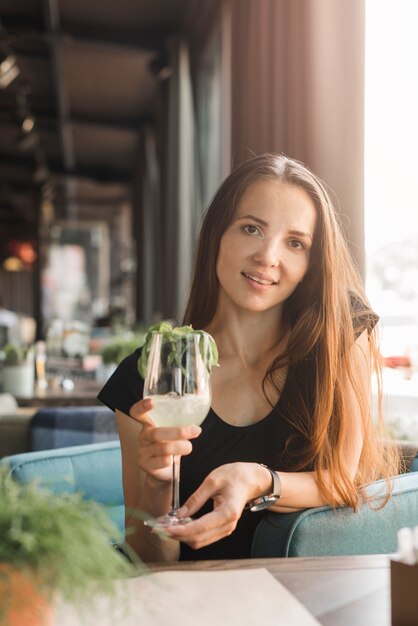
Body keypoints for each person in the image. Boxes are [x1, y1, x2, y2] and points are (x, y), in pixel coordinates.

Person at [98, 153, 400, 563]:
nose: (268, 257)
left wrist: (260, 480)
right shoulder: (148, 375)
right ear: (216, 235)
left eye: (295, 243)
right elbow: (152, 561)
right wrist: (157, 484)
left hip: (312, 599)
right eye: (252, 229)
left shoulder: (341, 332)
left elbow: (347, 478)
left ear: (311, 263)